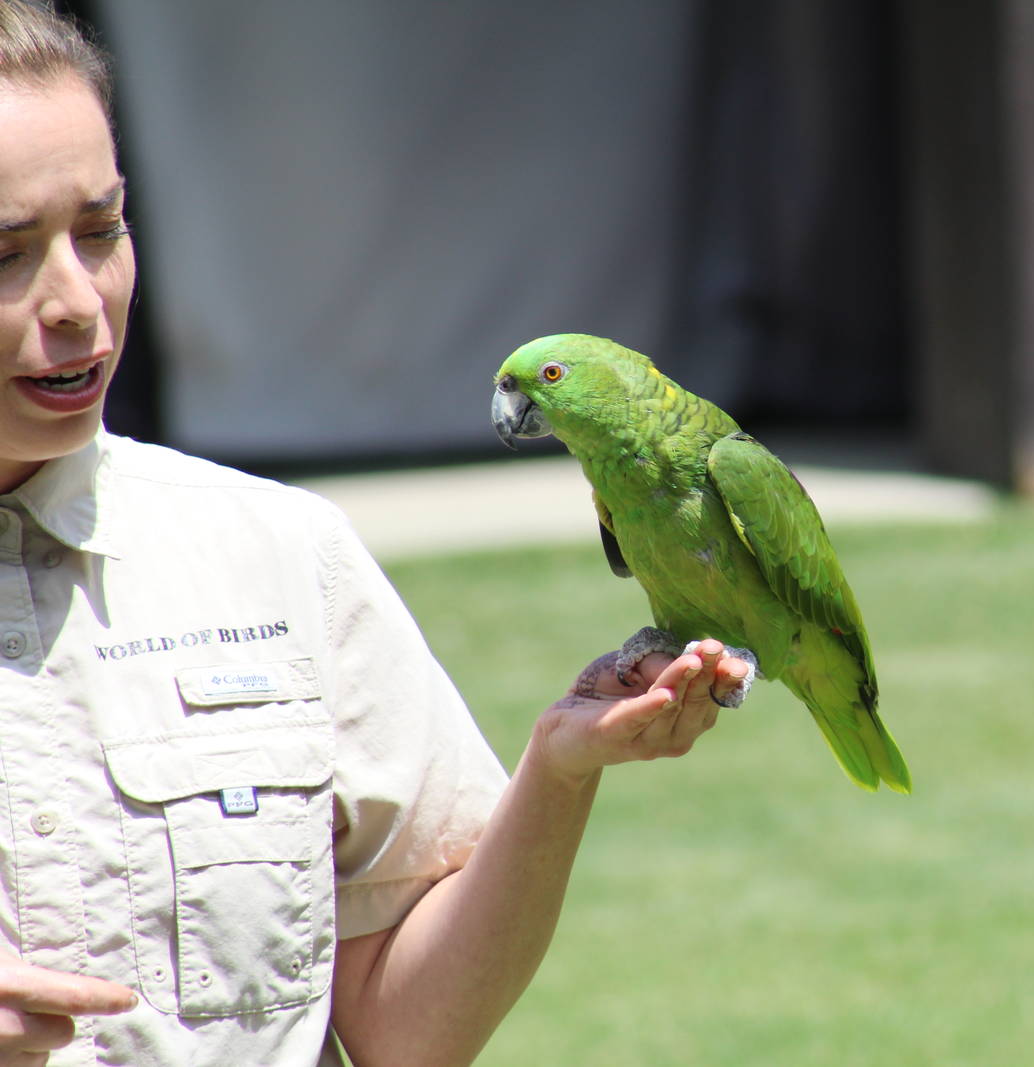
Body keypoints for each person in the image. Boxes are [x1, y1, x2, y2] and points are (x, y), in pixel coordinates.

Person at [0, 2, 747, 1063]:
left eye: (101, 229)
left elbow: (407, 1030)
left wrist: (558, 769)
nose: (78, 300)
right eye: (6, 252)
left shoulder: (282, 555)